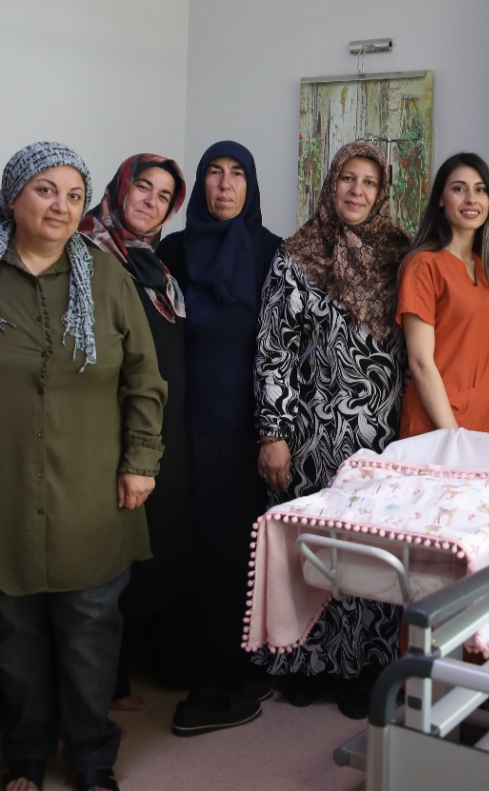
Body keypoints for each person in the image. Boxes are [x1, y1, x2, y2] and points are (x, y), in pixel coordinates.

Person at [0, 142, 165, 791]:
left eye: (73, 195)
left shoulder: (109, 278)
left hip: (92, 485)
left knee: (91, 627)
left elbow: (144, 378)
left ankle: (92, 755)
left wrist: (141, 460)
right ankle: (27, 752)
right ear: (12, 197)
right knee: (14, 632)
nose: (61, 206)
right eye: (45, 190)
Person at [253, 141, 411, 717]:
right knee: (315, 549)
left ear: (382, 192)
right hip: (312, 434)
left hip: (381, 439)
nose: (356, 191)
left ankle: (364, 667)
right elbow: (274, 349)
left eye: (369, 182)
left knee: (373, 550)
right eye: (347, 178)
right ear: (331, 184)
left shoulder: (401, 257)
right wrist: (273, 433)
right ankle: (304, 661)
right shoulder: (297, 255)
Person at [157, 141, 282, 735]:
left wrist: (273, 431)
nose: (225, 184)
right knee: (188, 552)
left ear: (250, 185)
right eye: (214, 172)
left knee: (237, 558)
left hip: (248, 431)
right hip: (182, 425)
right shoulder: (174, 251)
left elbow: (282, 346)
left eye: (237, 174)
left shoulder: (272, 252)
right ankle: (191, 663)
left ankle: (234, 677)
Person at [77, 153, 191, 710]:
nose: (150, 201)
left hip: (157, 424)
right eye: (143, 187)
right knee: (108, 552)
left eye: (164, 196)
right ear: (120, 188)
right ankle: (104, 685)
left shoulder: (158, 267)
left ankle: (135, 667)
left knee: (153, 544)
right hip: (107, 425)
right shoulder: (84, 252)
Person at [396, 152, 489, 438]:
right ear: (440, 198)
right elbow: (421, 363)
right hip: (440, 424)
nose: (471, 199)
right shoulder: (423, 266)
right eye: (459, 189)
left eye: (480, 190)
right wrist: (454, 436)